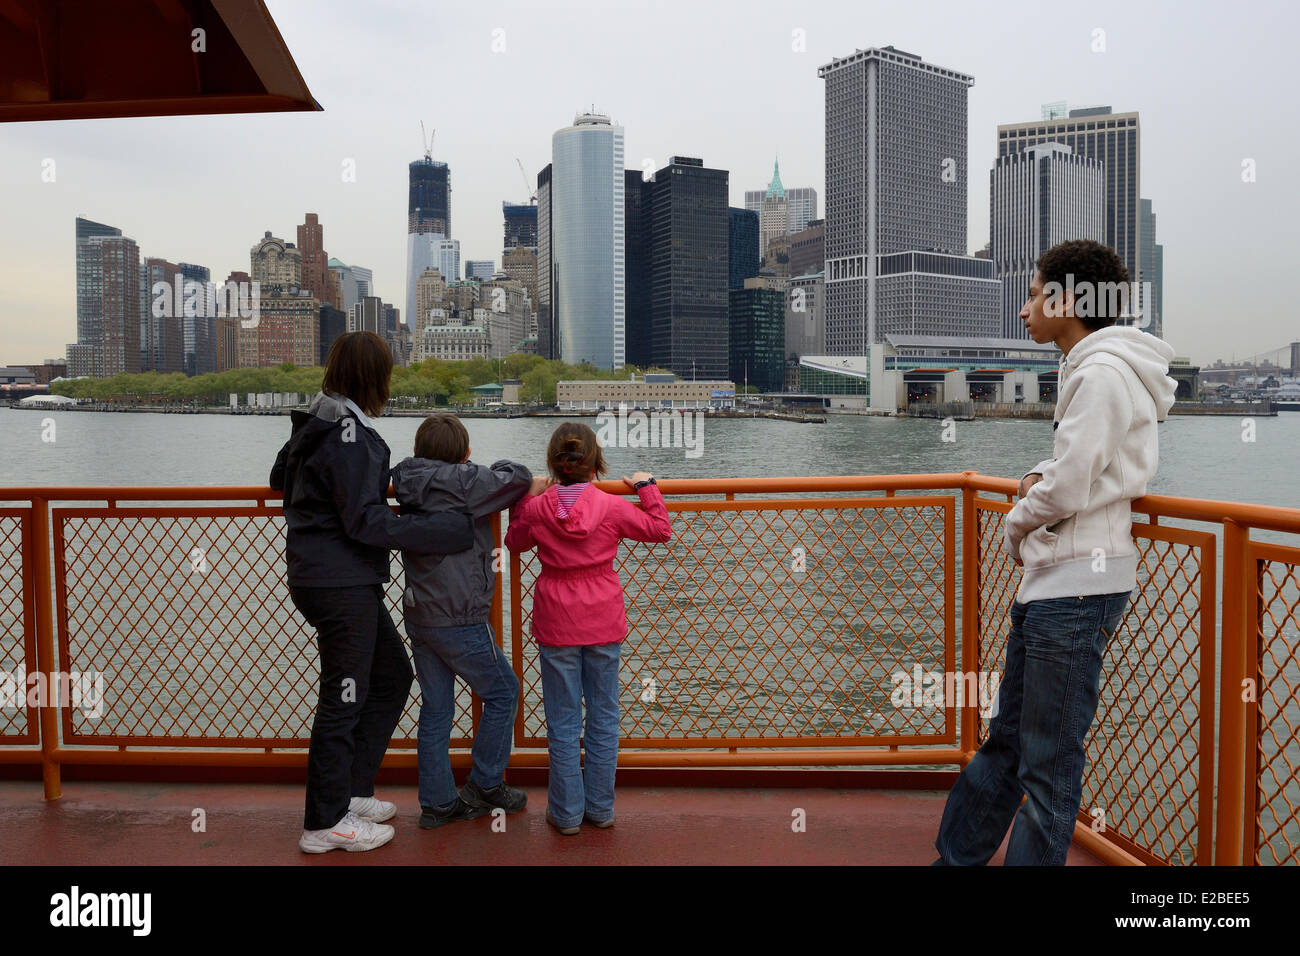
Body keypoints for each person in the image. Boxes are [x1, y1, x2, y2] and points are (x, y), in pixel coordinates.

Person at [933, 239, 1177, 865]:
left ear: (1070, 301)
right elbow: (1086, 468)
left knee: (1045, 763)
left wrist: (1016, 524)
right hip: (1060, 585)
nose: (1024, 309)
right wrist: (1042, 479)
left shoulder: (1099, 374)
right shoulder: (1095, 369)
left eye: (1036, 293)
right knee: (1010, 744)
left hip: (1074, 588)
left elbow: (1070, 484)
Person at [270, 331, 475, 854]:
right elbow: (364, 520)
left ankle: (351, 791)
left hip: (323, 576)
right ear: (373, 376)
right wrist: (440, 532)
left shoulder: (321, 417)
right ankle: (323, 823)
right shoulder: (349, 433)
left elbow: (279, 478)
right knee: (343, 698)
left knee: (389, 677)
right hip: (340, 581)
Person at [503, 422, 672, 834]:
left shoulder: (541, 509)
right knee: (603, 714)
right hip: (602, 616)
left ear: (554, 465)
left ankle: (565, 815)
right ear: (595, 464)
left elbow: (514, 542)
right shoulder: (610, 507)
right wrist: (646, 486)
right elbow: (660, 530)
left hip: (556, 618)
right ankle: (600, 808)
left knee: (562, 720)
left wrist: (528, 496)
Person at [390, 413, 545, 829]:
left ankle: (438, 804)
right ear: (463, 454)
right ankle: (486, 784)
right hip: (459, 613)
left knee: (437, 709)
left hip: (420, 612)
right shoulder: (464, 482)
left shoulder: (405, 478)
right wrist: (476, 468)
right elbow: (518, 476)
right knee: (503, 691)